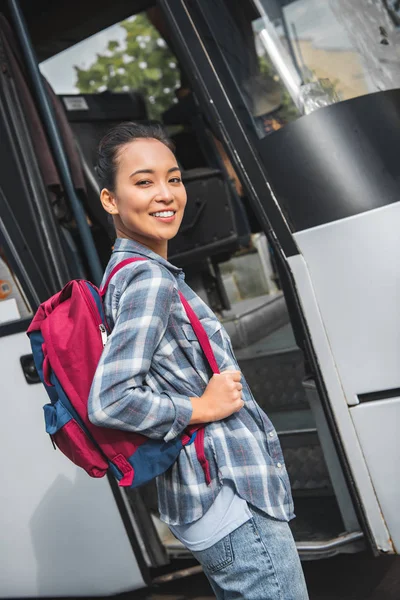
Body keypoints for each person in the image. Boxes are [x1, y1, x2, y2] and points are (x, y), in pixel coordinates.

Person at [88, 121, 309, 600]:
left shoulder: (131, 273)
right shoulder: (148, 281)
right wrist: (202, 408)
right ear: (110, 200)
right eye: (143, 182)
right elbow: (109, 401)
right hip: (230, 498)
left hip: (213, 497)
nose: (166, 194)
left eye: (174, 178)